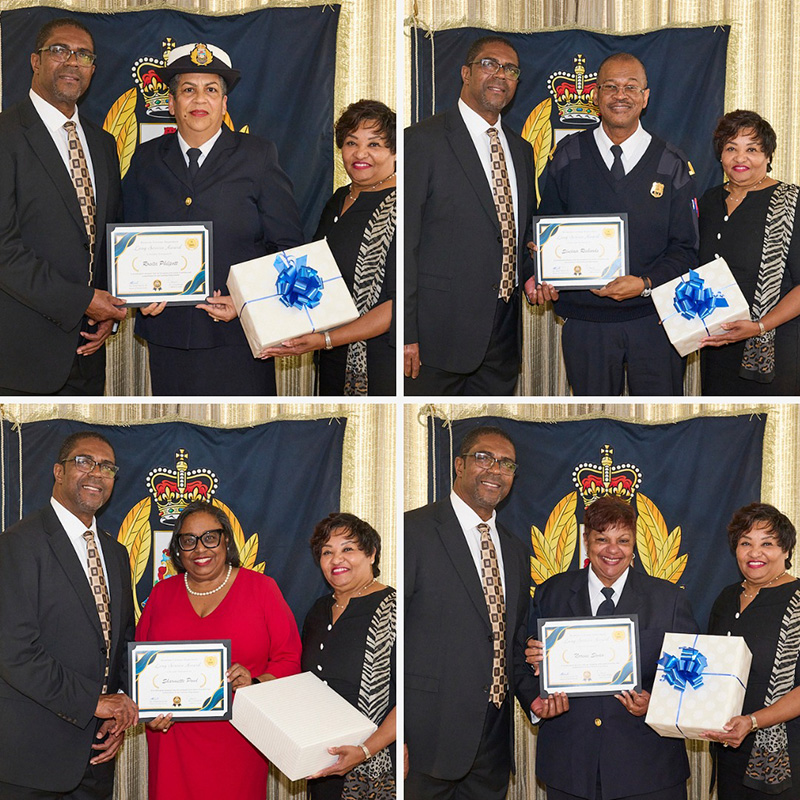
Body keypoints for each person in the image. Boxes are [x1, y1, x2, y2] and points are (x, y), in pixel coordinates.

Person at [123, 42, 304, 396]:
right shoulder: (146, 158)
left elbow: (287, 248)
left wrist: (245, 300)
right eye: (188, 90)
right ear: (172, 103)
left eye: (211, 90)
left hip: (238, 337)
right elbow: (128, 237)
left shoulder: (258, 156)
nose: (199, 100)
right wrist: (137, 293)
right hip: (168, 336)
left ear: (224, 103)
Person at [533, 53, 699, 396]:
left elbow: (686, 249)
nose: (620, 95)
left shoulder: (671, 162)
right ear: (596, 95)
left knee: (657, 413)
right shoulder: (567, 155)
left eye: (630, 87)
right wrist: (542, 271)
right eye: (610, 86)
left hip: (656, 320)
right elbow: (545, 230)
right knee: (591, 413)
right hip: (586, 322)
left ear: (645, 97)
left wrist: (645, 284)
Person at [526, 496, 699, 800]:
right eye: (602, 539)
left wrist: (656, 704)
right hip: (570, 767)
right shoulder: (550, 593)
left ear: (635, 544)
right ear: (586, 541)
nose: (612, 550)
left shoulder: (668, 599)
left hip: (648, 769)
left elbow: (691, 674)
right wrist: (535, 679)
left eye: (623, 540)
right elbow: (522, 660)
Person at [0, 431, 138, 798]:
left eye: (107, 467)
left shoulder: (116, 553)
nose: (96, 473)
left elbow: (122, 641)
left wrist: (120, 711)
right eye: (84, 462)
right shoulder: (17, 544)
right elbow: (14, 652)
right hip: (33, 760)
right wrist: (94, 703)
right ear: (58, 471)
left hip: (97, 756)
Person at [136, 500, 302, 799]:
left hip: (239, 737)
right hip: (171, 737)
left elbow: (289, 659)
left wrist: (255, 682)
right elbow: (140, 666)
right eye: (188, 540)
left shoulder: (262, 589)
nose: (200, 549)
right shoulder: (161, 593)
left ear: (226, 540)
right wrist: (149, 710)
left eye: (210, 537)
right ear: (177, 549)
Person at [405, 426, 538, 798]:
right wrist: (393, 733)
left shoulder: (515, 550)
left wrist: (536, 694)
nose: (496, 470)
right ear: (459, 465)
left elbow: (512, 643)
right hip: (425, 742)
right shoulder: (413, 531)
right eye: (484, 458)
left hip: (492, 747)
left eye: (507, 464)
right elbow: (392, 639)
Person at [0, 17, 126, 395]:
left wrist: (110, 312)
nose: (73, 61)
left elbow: (108, 239)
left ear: (93, 69)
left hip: (88, 353)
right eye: (59, 50)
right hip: (21, 358)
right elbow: (4, 250)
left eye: (84, 55)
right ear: (35, 61)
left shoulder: (103, 144)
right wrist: (84, 301)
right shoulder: (5, 135)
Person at [404, 36, 536, 396]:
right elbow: (405, 244)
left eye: (511, 70)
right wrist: (405, 332)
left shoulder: (522, 150)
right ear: (466, 73)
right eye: (490, 64)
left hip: (502, 340)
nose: (501, 75)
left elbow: (517, 231)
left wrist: (531, 274)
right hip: (435, 340)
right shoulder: (422, 141)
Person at [260, 100, 396, 396]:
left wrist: (326, 340)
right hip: (332, 356)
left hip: (378, 363)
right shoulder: (339, 199)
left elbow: (397, 306)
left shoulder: (405, 207)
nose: (360, 153)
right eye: (351, 143)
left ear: (395, 152)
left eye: (374, 144)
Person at [698, 111, 800, 394]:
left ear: (768, 156)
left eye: (752, 149)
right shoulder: (709, 201)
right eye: (731, 148)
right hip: (717, 345)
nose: (740, 158)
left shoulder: (792, 203)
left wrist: (759, 326)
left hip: (773, 349)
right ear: (720, 155)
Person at [706, 503, 800, 799]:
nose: (754, 553)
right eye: (745, 543)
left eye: (767, 544)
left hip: (783, 758)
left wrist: (753, 721)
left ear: (787, 551)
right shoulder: (726, 598)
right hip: (729, 749)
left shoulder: (798, 600)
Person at [302, 512, 396, 799]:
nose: (336, 559)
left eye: (348, 549)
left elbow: (412, 697)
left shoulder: (395, 610)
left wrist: (365, 750)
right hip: (322, 763)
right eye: (327, 552)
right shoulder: (318, 610)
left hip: (376, 765)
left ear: (371, 554)